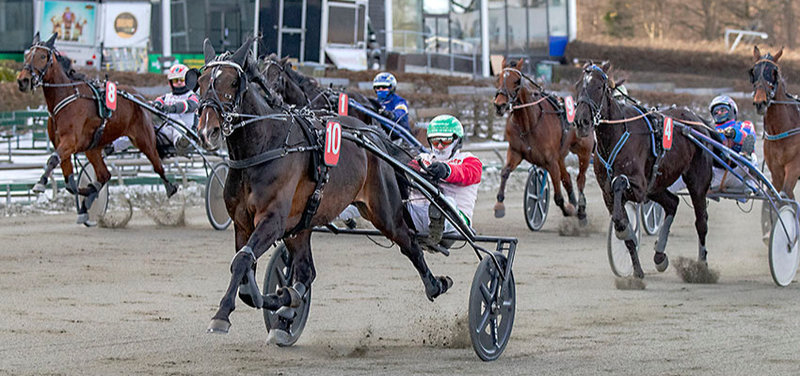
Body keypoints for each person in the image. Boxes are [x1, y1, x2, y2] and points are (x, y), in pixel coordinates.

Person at [408, 115, 482, 252]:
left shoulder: (469, 159)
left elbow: (469, 173)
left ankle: (434, 239)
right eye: (435, 142)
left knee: (442, 200)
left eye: (445, 141)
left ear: (457, 141)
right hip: (418, 217)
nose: (440, 146)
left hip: (455, 222)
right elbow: (407, 170)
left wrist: (446, 171)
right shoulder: (423, 158)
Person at [669, 95, 756, 193]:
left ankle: (751, 182)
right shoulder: (710, 129)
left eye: (723, 110)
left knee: (752, 155)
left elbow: (749, 134)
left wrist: (733, 133)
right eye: (716, 111)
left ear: (732, 111)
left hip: (738, 172)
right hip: (714, 174)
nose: (719, 113)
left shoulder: (743, 125)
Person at [108, 64, 197, 156]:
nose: (178, 82)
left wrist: (171, 108)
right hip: (166, 131)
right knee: (138, 131)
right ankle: (112, 146)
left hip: (186, 132)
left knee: (178, 124)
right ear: (170, 83)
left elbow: (189, 106)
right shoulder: (167, 97)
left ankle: (182, 144)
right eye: (175, 80)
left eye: (181, 80)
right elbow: (157, 102)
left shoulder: (192, 96)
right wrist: (153, 105)